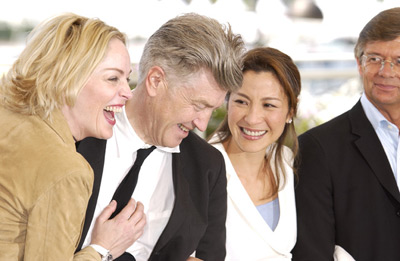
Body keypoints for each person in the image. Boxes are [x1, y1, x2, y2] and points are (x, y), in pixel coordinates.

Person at [75, 12, 245, 261]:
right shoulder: (76, 137)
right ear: (155, 81)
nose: (202, 123)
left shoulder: (208, 166)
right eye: (198, 105)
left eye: (213, 109)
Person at [0, 13, 146, 260]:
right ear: (68, 77)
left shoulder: (7, 110)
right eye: (113, 78)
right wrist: (102, 248)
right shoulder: (66, 170)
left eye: (127, 79)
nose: (127, 93)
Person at [292, 7, 400, 261]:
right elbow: (312, 252)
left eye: (399, 60)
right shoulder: (318, 148)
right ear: (359, 63)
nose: (386, 71)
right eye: (374, 58)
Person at [208, 47, 301, 260]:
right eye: (241, 101)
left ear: (290, 113)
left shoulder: (285, 161)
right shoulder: (201, 168)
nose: (252, 118)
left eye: (269, 105)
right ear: (227, 101)